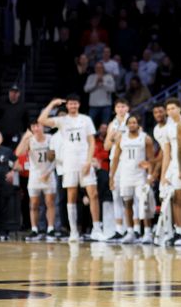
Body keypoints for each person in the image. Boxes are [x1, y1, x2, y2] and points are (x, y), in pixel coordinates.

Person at [38, 95, 104, 242]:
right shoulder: (62, 121)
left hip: (84, 161)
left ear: (78, 105)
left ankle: (97, 229)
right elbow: (41, 120)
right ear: (67, 106)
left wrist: (88, 161)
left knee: (93, 194)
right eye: (70, 104)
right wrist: (52, 103)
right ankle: (73, 231)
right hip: (69, 163)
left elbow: (91, 142)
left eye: (75, 103)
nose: (73, 106)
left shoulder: (86, 119)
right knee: (71, 196)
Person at [109, 115, 155, 243]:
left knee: (143, 204)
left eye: (134, 122)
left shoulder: (145, 138)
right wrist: (112, 177)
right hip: (125, 175)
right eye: (130, 123)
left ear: (138, 125)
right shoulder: (121, 139)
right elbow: (116, 158)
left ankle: (147, 232)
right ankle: (130, 232)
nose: (132, 125)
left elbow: (151, 159)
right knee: (127, 204)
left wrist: (150, 175)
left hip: (140, 176)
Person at [15, 122, 57, 241]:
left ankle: (51, 229)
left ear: (42, 127)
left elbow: (56, 156)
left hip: (49, 174)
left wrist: (48, 172)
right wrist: (25, 138)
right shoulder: (30, 140)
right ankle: (34, 229)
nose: (36, 128)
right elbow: (18, 153)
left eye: (37, 125)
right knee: (33, 204)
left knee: (50, 203)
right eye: (33, 126)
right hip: (34, 177)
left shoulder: (50, 139)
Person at [161, 98, 181, 246]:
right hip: (175, 166)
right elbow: (166, 154)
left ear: (180, 108)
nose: (171, 111)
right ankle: (180, 231)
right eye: (168, 109)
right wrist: (164, 175)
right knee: (178, 199)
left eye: (173, 108)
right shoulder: (167, 128)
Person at [103, 98, 130, 241]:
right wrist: (113, 138)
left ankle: (133, 229)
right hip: (115, 162)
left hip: (129, 161)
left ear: (128, 108)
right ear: (115, 109)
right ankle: (119, 229)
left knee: (130, 197)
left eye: (123, 106)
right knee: (116, 195)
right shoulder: (112, 124)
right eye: (118, 106)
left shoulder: (132, 121)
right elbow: (106, 146)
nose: (121, 109)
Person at [0, 130, 19, 239]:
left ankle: (4, 232)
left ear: (2, 139)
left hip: (4, 184)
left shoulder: (7, 151)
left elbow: (17, 162)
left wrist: (13, 171)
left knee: (4, 208)